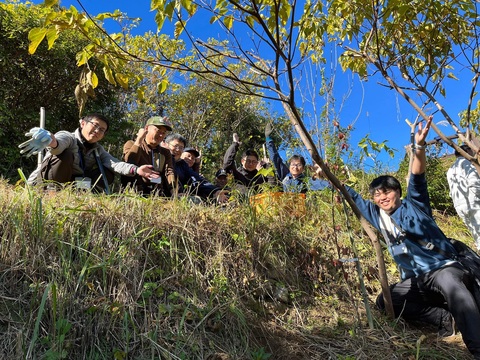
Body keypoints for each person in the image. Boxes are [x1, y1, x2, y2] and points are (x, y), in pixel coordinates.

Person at [344, 116, 480, 358]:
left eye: (386, 191)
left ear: (397, 192)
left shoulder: (414, 204)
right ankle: (447, 320)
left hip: (442, 268)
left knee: (453, 288)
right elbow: (354, 198)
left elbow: (417, 176)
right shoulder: (377, 215)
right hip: (416, 280)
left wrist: (419, 147)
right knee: (388, 300)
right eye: (377, 194)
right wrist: (327, 176)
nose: (382, 197)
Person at [21, 113, 159, 193]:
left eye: (102, 130)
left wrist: (137, 169)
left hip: (73, 184)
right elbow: (58, 144)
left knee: (108, 172)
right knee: (65, 155)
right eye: (95, 125)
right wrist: (51, 140)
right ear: (82, 124)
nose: (97, 131)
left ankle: (80, 195)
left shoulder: (98, 150)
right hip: (46, 182)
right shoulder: (69, 137)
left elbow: (115, 164)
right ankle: (52, 194)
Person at [164, 133, 228, 203]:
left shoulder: (183, 165)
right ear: (165, 144)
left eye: (181, 148)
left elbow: (198, 180)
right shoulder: (159, 157)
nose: (178, 150)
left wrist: (215, 191)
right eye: (175, 146)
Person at [264, 122, 328, 193]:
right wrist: (268, 139)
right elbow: (275, 159)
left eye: (299, 165)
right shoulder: (285, 175)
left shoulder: (306, 181)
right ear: (289, 166)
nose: (295, 167)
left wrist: (335, 185)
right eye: (293, 164)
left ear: (303, 168)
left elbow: (321, 184)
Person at [121, 116, 175, 196]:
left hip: (157, 192)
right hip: (136, 191)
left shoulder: (165, 152)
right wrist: (139, 140)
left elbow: (169, 172)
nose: (161, 135)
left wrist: (174, 191)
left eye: (163, 133)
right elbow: (130, 162)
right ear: (146, 128)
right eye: (158, 131)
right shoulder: (131, 144)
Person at [446, 141, 480, 249]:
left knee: (476, 233)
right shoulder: (467, 163)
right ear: (466, 152)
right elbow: (474, 183)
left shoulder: (450, 170)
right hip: (472, 202)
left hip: (459, 205)